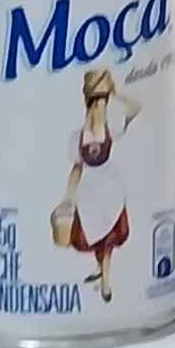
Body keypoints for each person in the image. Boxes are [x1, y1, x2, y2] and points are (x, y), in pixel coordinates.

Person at [53, 65, 137, 302]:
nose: (100, 110)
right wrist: (68, 197)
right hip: (89, 189)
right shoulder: (78, 136)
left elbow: (135, 108)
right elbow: (77, 168)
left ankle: (106, 283)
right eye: (96, 105)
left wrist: (116, 93)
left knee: (108, 234)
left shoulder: (112, 128)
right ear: (88, 106)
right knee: (94, 231)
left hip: (110, 186)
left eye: (103, 104)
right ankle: (100, 269)